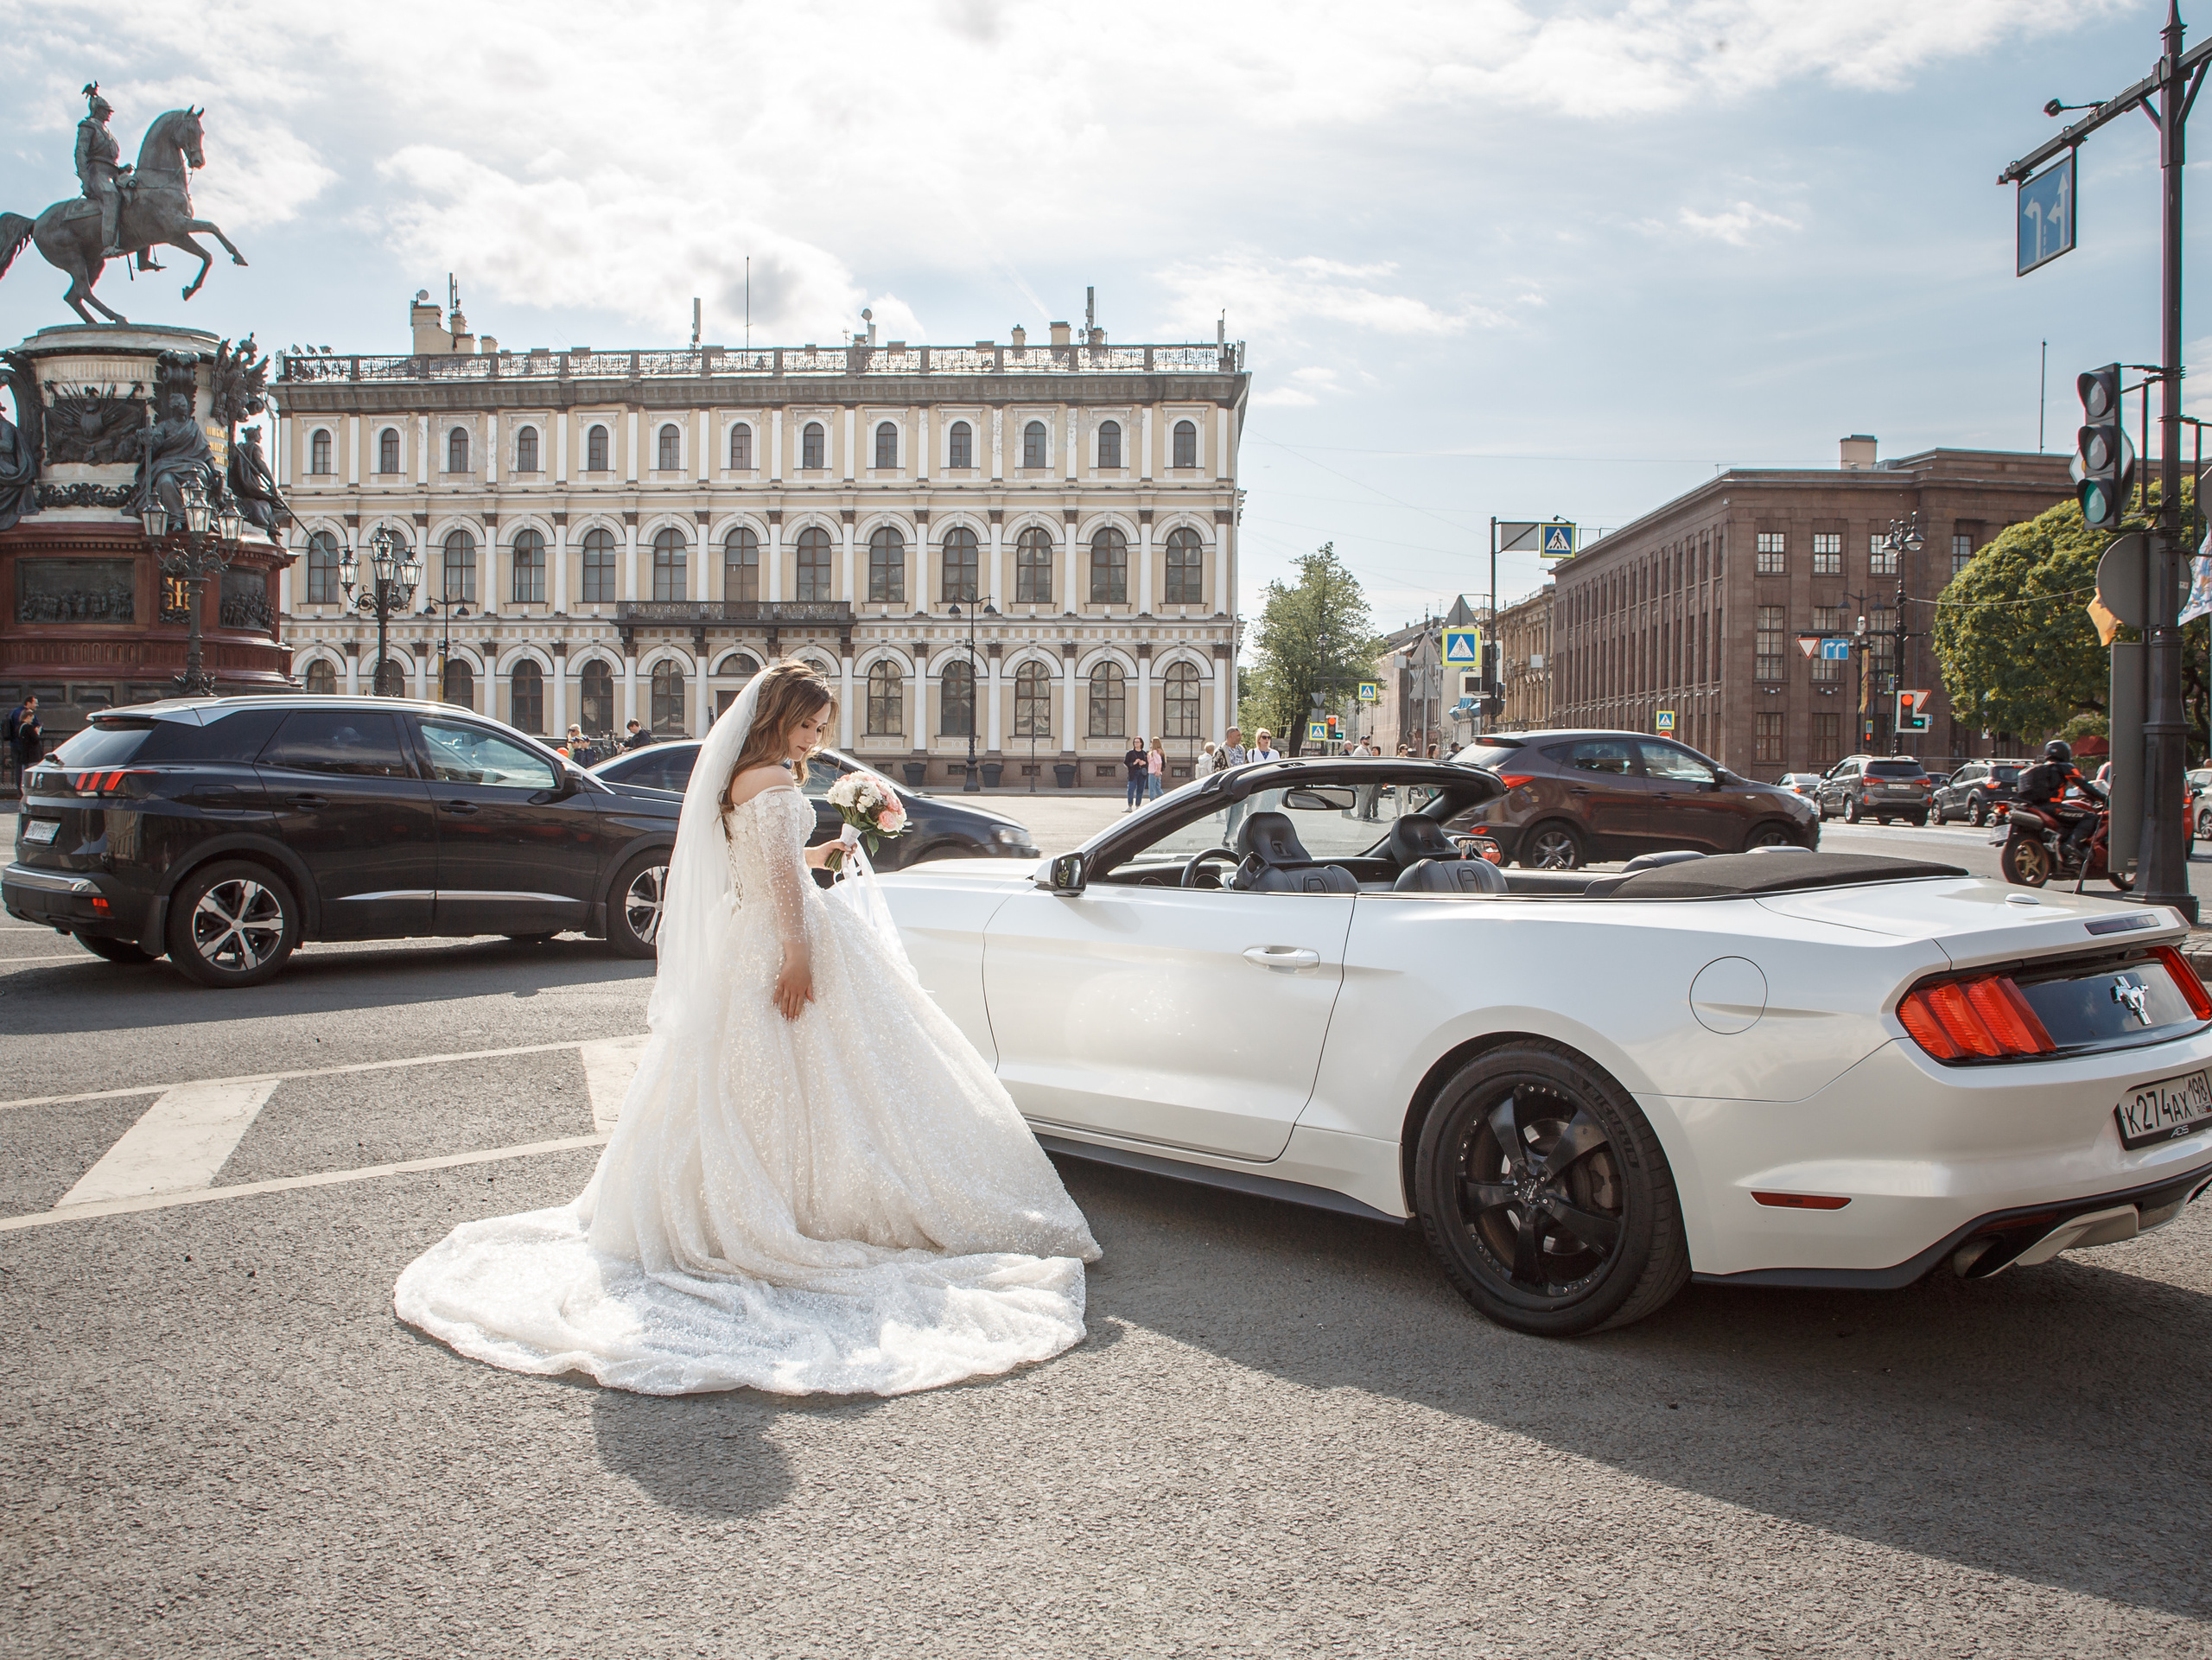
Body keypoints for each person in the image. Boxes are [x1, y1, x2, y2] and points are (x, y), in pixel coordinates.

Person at [396, 658, 1099, 1396]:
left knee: (753, 1077)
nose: (813, 738)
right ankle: (805, 1207)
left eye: (820, 727)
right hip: (783, 937)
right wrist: (798, 952)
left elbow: (768, 863)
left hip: (749, 934)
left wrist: (821, 851)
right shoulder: (775, 783)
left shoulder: (745, 778)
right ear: (775, 716)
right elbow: (783, 885)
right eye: (805, 724)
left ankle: (767, 1197)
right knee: (833, 1073)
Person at [2015, 739, 2101, 859]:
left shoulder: (2034, 769)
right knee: (2090, 817)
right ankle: (2072, 845)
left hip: (2033, 808)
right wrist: (2104, 798)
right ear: (2065, 753)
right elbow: (2084, 785)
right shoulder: (2064, 767)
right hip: (2053, 807)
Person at [5, 694, 41, 784]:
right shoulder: (28, 714)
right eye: (35, 703)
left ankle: (20, 788)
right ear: (28, 703)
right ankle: (27, 787)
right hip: (27, 747)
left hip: (15, 744)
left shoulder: (14, 712)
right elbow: (35, 727)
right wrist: (38, 732)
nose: (37, 705)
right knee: (29, 769)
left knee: (19, 768)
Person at [1124, 736, 1148, 811]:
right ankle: (1130, 805)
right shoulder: (1130, 753)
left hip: (1142, 774)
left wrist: (1144, 763)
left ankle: (1138, 805)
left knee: (1140, 790)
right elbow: (1126, 763)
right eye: (1135, 742)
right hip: (1133, 773)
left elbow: (1148, 764)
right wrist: (1134, 763)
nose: (1136, 743)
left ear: (1141, 743)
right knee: (1131, 789)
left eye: (1137, 742)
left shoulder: (1144, 753)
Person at [1147, 736, 1166, 801]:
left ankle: (1152, 802)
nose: (1150, 743)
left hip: (1153, 772)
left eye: (1151, 742)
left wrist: (1157, 771)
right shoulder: (1157, 751)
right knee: (1158, 788)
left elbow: (1159, 762)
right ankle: (1164, 800)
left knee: (1152, 789)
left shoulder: (1154, 752)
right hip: (1156, 772)